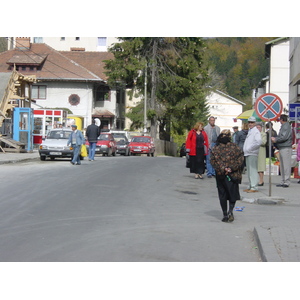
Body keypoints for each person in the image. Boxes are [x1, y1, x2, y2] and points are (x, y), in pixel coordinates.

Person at [210, 129, 244, 222]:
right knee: (232, 194)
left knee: (222, 194)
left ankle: (225, 214)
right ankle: (230, 211)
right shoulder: (235, 147)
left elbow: (212, 162)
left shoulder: (216, 148)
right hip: (232, 175)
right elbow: (240, 160)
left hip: (221, 175)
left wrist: (223, 169)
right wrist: (231, 168)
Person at [271, 114, 293, 188]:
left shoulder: (286, 126)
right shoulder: (285, 126)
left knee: (286, 165)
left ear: (281, 120)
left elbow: (284, 137)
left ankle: (286, 181)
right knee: (283, 165)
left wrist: (276, 139)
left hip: (285, 147)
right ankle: (283, 180)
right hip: (283, 147)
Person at [243, 116, 261, 193]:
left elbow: (258, 142)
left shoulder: (256, 131)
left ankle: (254, 186)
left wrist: (250, 148)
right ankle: (250, 185)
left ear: (255, 123)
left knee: (253, 170)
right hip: (248, 153)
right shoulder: (250, 131)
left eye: (252, 122)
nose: (250, 124)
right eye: (249, 122)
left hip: (252, 153)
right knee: (249, 171)